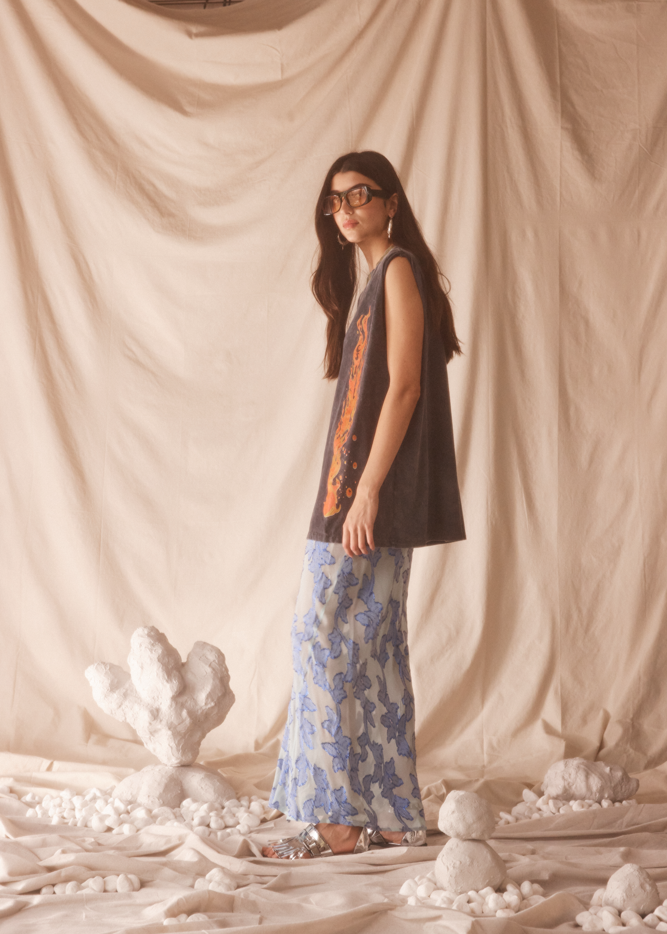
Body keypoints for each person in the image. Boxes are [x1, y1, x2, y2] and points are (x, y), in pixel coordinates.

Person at [262, 151, 465, 859]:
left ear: (389, 202)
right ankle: (388, 815)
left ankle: (336, 823)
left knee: (320, 638)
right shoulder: (371, 281)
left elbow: (404, 388)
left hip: (363, 497)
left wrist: (366, 492)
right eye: (334, 200)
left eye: (359, 195)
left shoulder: (399, 271)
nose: (344, 209)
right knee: (367, 647)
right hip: (354, 494)